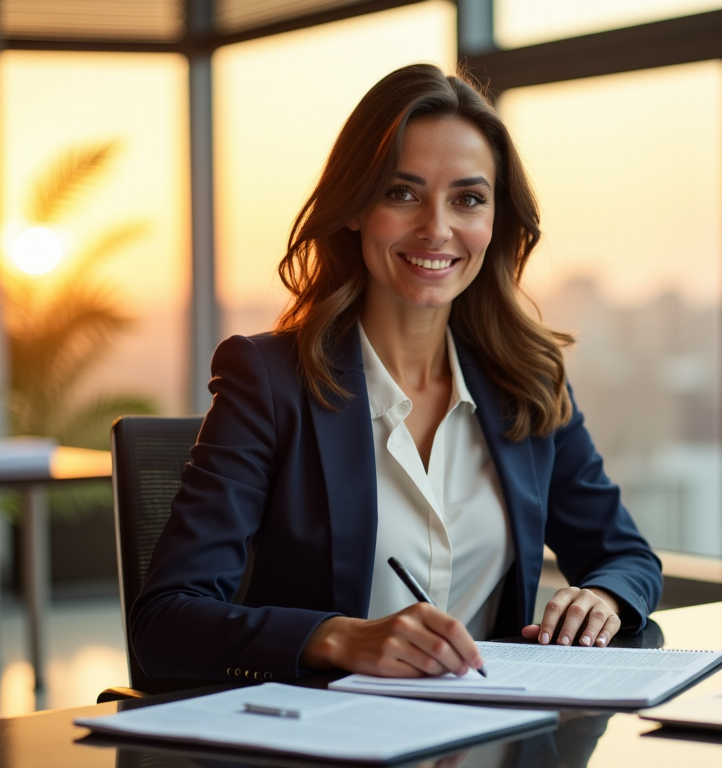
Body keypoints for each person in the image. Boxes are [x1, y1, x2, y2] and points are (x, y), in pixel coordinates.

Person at [130, 63, 662, 684]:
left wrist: (604, 598)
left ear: (495, 222)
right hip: (324, 735)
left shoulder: (528, 381)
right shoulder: (269, 381)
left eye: (467, 198)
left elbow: (625, 557)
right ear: (355, 207)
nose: (436, 228)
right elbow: (164, 621)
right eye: (402, 193)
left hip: (492, 734)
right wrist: (338, 638)